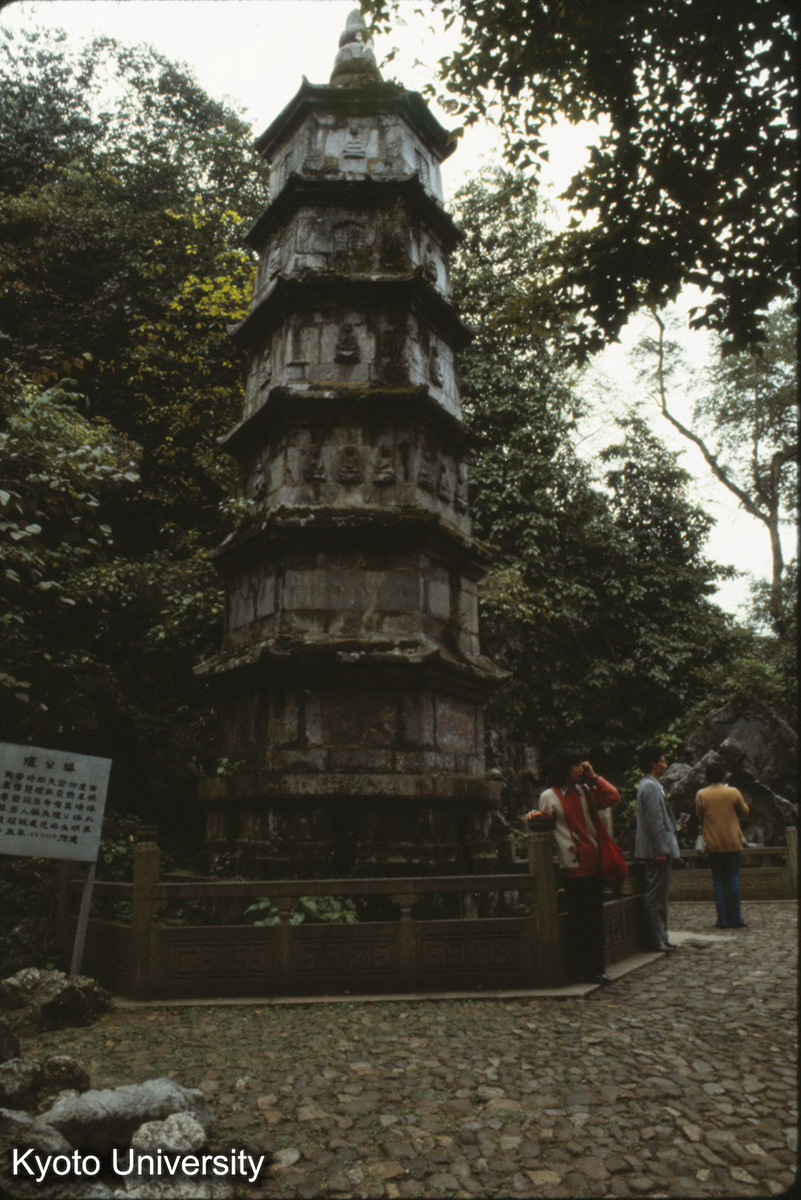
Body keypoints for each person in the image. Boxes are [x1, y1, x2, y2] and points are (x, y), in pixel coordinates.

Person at [526, 748, 620, 985]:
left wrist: (594, 776)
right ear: (565, 768)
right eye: (577, 765)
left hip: (594, 862)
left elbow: (613, 797)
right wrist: (533, 817)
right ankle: (580, 968)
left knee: (594, 920)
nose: (581, 768)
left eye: (582, 765)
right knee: (579, 921)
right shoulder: (550, 796)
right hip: (572, 865)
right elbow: (544, 822)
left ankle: (596, 969)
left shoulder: (586, 791)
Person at [635, 745, 680, 952]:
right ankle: (656, 938)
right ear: (654, 764)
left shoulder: (652, 785)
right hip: (656, 851)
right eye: (663, 760)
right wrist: (660, 849)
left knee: (661, 896)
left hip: (657, 849)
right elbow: (654, 821)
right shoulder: (650, 787)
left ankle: (662, 935)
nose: (665, 764)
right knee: (655, 896)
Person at [696, 760, 750, 929]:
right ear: (723, 775)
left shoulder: (702, 794)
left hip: (713, 843)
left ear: (707, 777)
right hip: (733, 841)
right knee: (733, 879)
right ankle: (736, 918)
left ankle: (722, 919)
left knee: (718, 881)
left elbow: (699, 816)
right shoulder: (733, 792)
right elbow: (744, 812)